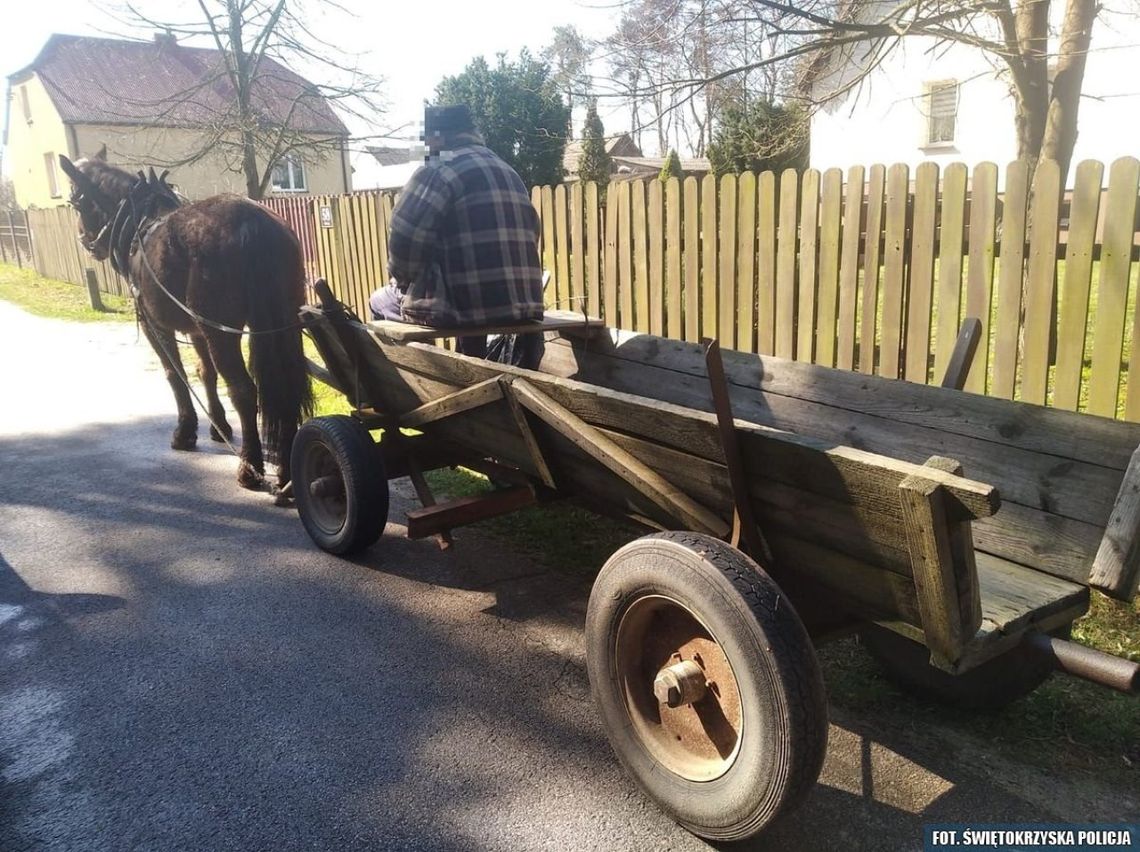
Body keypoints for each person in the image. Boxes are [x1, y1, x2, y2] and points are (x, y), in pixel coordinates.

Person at [371, 104, 544, 362]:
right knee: (465, 290)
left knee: (379, 301)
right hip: (522, 306)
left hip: (463, 310)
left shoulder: (436, 169)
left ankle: (421, 377)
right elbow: (532, 231)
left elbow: (404, 238)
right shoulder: (507, 171)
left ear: (437, 137)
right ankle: (469, 366)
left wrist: (404, 282)